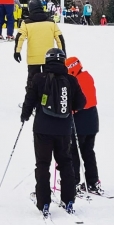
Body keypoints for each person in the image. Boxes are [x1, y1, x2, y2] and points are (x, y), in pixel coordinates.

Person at [21, 48, 85, 215]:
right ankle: (68, 199)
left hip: (42, 128)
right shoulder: (71, 80)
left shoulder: (38, 78)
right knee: (65, 163)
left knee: (42, 164)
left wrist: (25, 116)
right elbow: (81, 103)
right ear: (63, 61)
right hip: (64, 129)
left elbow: (29, 100)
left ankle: (44, 202)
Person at [65, 57, 103, 196]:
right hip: (92, 120)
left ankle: (73, 181)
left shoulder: (76, 81)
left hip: (80, 121)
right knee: (88, 151)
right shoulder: (87, 76)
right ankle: (92, 181)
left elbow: (79, 103)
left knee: (74, 151)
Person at [14, 0, 66, 88]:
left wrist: (17, 51)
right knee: (49, 80)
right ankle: (48, 99)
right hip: (50, 58)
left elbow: (20, 37)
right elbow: (59, 38)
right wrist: (62, 52)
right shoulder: (51, 22)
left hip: (33, 58)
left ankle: (32, 100)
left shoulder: (26, 23)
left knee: (32, 80)